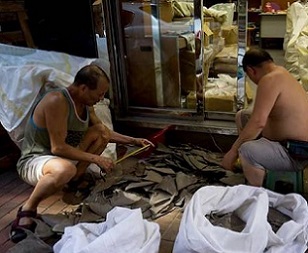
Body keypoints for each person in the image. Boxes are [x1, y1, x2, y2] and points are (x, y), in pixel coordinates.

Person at [10, 64, 154, 243]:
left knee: (100, 132)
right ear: (83, 88)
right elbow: (58, 148)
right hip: (36, 159)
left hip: (61, 159)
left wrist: (135, 141)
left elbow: (106, 133)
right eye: (99, 94)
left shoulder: (87, 104)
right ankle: (27, 210)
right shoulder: (57, 101)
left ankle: (74, 181)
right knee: (64, 170)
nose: (101, 98)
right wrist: (97, 159)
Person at [222, 47, 308, 187]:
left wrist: (233, 152)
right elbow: (258, 117)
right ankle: (251, 166)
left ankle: (257, 194)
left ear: (251, 71)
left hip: (297, 152)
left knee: (246, 150)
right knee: (242, 116)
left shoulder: (269, 80)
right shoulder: (281, 72)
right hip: (293, 143)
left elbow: (258, 122)